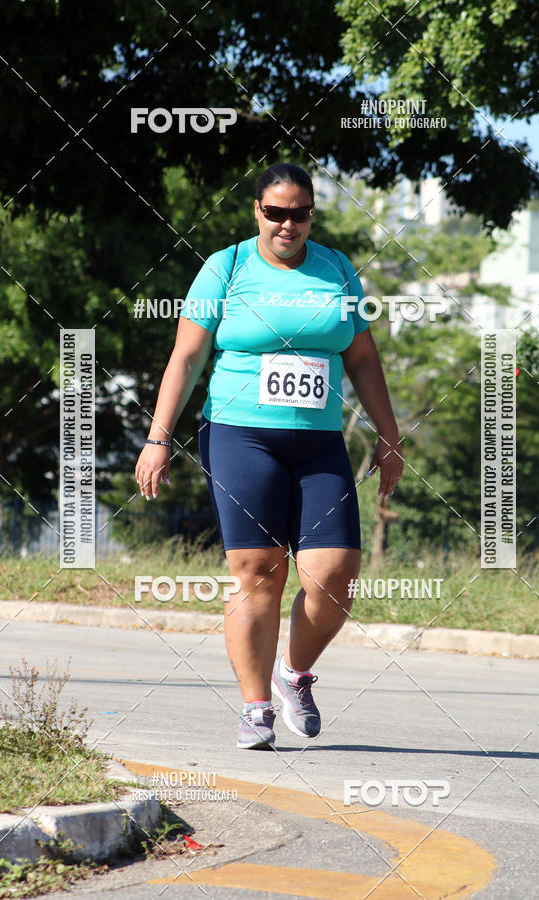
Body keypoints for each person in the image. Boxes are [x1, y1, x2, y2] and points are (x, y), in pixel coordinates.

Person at [135, 163, 403, 750]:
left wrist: (389, 434)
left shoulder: (335, 270)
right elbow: (185, 359)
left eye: (299, 213)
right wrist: (159, 438)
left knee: (335, 577)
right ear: (257, 210)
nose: (287, 223)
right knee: (258, 573)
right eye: (275, 212)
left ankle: (293, 674)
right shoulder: (225, 268)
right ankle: (256, 708)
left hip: (319, 442)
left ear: (312, 215)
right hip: (239, 435)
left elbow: (361, 358)